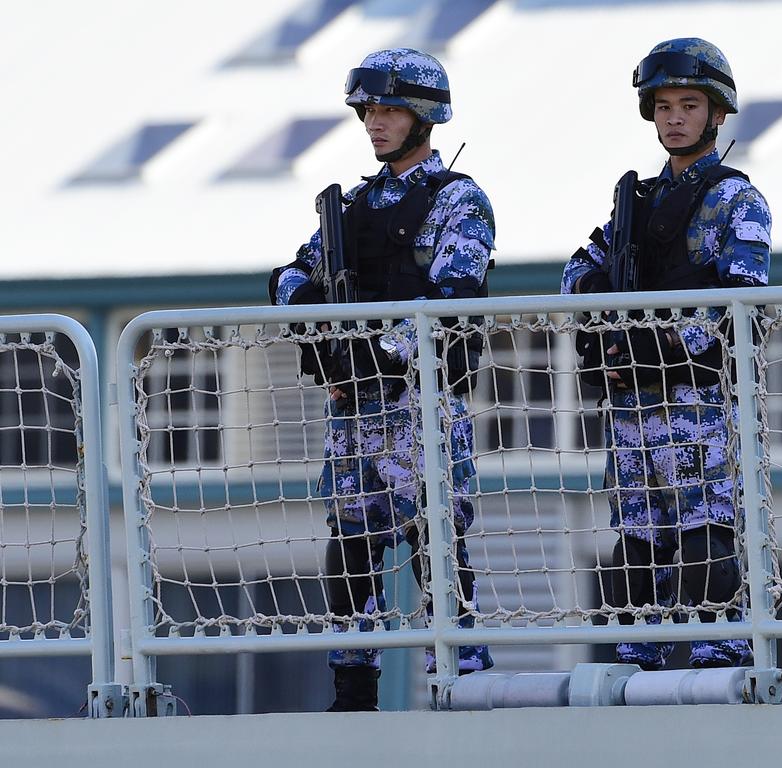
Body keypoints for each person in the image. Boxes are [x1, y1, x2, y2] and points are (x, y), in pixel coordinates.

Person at [269, 47, 495, 711]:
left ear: (423, 115)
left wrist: (382, 351)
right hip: (353, 410)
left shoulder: (458, 200)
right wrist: (313, 319)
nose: (374, 121)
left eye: (389, 108)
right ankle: (351, 687)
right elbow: (292, 275)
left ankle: (460, 681)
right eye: (368, 109)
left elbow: (453, 291)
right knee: (350, 547)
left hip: (419, 403)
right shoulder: (353, 207)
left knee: (437, 543)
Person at [561, 38, 771, 670]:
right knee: (636, 529)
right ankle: (634, 655)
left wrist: (651, 332)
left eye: (688, 104)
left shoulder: (736, 199)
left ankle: (716, 653)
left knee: (706, 523)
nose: (674, 117)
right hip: (630, 400)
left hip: (695, 396)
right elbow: (576, 276)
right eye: (663, 106)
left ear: (716, 114)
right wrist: (616, 325)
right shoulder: (634, 205)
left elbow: (741, 297)